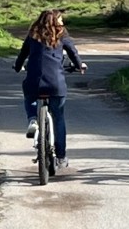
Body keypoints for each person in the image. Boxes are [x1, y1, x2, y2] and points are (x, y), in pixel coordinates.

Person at [14, 9, 87, 170]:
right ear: (56, 22)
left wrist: (18, 66)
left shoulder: (33, 35)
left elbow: (22, 54)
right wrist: (79, 65)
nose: (62, 23)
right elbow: (73, 53)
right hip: (56, 84)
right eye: (60, 20)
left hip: (35, 81)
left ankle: (33, 118)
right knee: (58, 117)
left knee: (29, 96)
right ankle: (61, 157)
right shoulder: (62, 34)